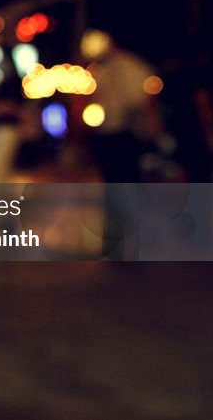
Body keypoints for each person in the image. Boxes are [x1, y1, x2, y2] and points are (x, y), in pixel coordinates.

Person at [87, 36, 164, 260]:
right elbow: (141, 102)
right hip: (125, 135)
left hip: (112, 135)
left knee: (114, 186)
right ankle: (133, 239)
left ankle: (116, 241)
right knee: (130, 184)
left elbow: (97, 98)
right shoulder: (135, 67)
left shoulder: (108, 69)